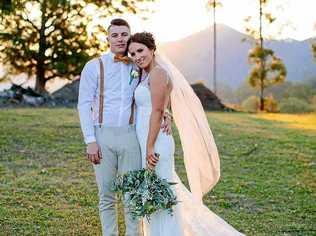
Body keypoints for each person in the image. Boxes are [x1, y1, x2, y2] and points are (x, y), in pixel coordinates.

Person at [128, 32, 245, 236]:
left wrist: (149, 147)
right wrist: (167, 112)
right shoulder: (149, 73)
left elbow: (155, 111)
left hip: (154, 142)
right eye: (132, 53)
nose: (137, 56)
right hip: (151, 137)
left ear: (152, 49)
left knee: (162, 193)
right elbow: (162, 103)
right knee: (159, 191)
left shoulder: (157, 73)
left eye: (140, 50)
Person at [77, 19, 171, 236]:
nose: (120, 38)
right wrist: (90, 139)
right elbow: (83, 104)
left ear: (129, 37)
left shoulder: (140, 66)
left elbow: (158, 90)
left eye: (124, 34)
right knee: (106, 194)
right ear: (108, 39)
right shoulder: (93, 66)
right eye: (115, 35)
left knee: (131, 193)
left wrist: (167, 113)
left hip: (131, 135)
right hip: (102, 135)